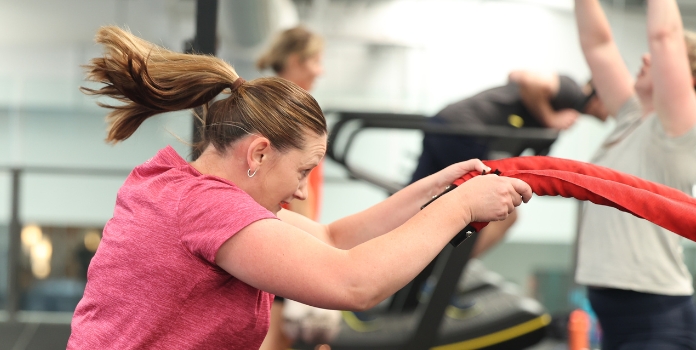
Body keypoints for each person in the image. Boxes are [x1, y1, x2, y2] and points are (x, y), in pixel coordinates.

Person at [67, 26, 532, 349]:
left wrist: (438, 189)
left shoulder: (181, 188)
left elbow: (334, 238)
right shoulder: (208, 207)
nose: (303, 193)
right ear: (259, 154)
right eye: (302, 171)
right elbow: (354, 284)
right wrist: (462, 208)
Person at [574, 0, 696, 348]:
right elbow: (597, 45)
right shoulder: (632, 117)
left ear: (686, 80)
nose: (644, 58)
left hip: (657, 316)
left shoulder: (679, 131)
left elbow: (663, 35)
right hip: (614, 316)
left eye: (656, 59)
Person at [410, 71, 609, 257]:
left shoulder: (566, 108)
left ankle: (423, 266)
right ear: (600, 93)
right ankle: (445, 269)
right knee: (495, 213)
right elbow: (524, 78)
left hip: (445, 125)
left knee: (415, 201)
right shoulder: (571, 91)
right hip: (466, 134)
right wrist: (550, 118)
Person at [256, 26, 333, 349]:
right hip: (282, 237)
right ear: (294, 60)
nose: (320, 69)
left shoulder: (283, 104)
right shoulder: (285, 110)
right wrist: (311, 248)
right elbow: (294, 181)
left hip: (287, 235)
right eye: (314, 60)